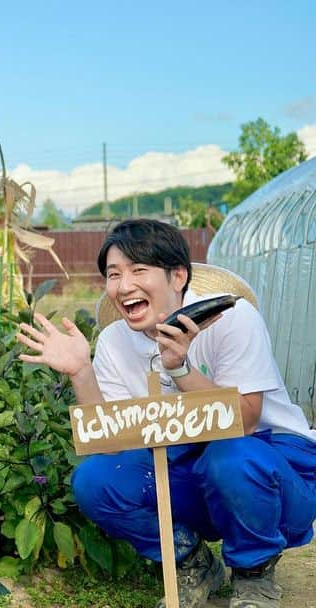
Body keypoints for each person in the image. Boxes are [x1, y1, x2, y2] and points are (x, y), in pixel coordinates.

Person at [17, 219, 316, 608]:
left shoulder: (233, 320)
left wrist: (179, 369)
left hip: (277, 466)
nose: (124, 286)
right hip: (195, 465)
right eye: (113, 274)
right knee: (96, 480)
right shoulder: (113, 341)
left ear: (178, 276)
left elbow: (244, 420)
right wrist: (81, 371)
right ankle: (191, 560)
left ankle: (254, 573)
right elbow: (109, 445)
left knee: (230, 457)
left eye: (139, 270)